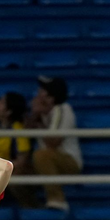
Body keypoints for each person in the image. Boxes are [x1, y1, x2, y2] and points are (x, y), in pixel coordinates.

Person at [26, 76, 82, 212]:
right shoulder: (43, 112)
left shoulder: (63, 110)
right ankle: (30, 208)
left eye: (42, 90)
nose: (38, 93)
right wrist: (34, 115)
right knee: (14, 171)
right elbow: (25, 131)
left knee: (41, 155)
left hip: (68, 162)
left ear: (51, 97)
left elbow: (53, 143)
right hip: (43, 163)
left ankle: (57, 200)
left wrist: (40, 120)